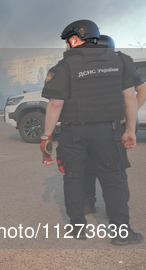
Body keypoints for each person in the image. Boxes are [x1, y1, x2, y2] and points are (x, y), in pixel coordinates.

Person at [40, 19, 142, 245]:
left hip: (73, 134)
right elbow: (131, 98)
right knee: (113, 179)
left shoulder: (63, 67)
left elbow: (55, 105)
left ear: (75, 39)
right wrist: (129, 130)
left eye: (68, 41)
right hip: (108, 132)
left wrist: (46, 137)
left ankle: (78, 228)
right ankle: (121, 234)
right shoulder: (120, 61)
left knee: (74, 178)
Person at [83, 35, 145, 214]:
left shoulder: (118, 63)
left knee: (113, 168)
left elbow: (142, 89)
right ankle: (95, 205)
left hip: (109, 125)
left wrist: (129, 113)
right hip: (97, 125)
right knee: (102, 167)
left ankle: (112, 208)